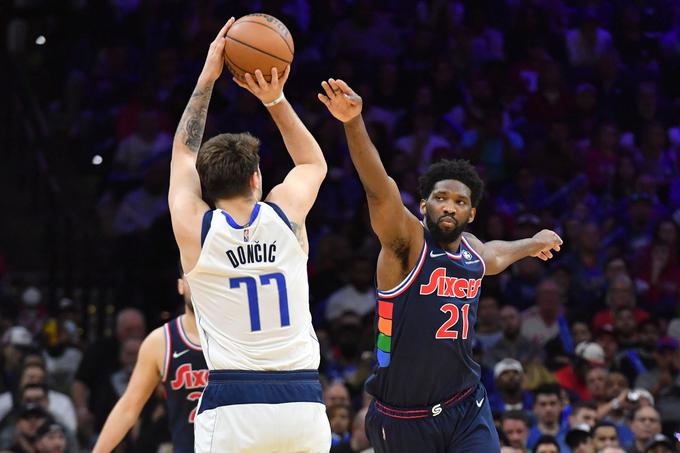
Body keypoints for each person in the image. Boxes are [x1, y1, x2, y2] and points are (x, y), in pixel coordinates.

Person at [319, 78, 562, 452]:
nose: (449, 206)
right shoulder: (407, 243)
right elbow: (378, 188)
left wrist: (531, 243)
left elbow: (495, 256)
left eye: (460, 201)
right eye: (440, 198)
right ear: (423, 206)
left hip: (465, 405)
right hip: (401, 416)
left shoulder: (470, 250)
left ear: (472, 213)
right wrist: (353, 123)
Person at [169, 20, 330, 452]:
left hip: (234, 403)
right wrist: (274, 97)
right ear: (257, 178)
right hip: (302, 401)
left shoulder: (196, 229)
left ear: (206, 187)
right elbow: (313, 164)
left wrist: (208, 75)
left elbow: (183, 152)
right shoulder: (287, 216)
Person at [92, 271, 207, 453]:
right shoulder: (161, 341)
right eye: (192, 276)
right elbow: (128, 408)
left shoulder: (239, 337)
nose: (200, 283)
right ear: (180, 285)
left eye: (206, 277)